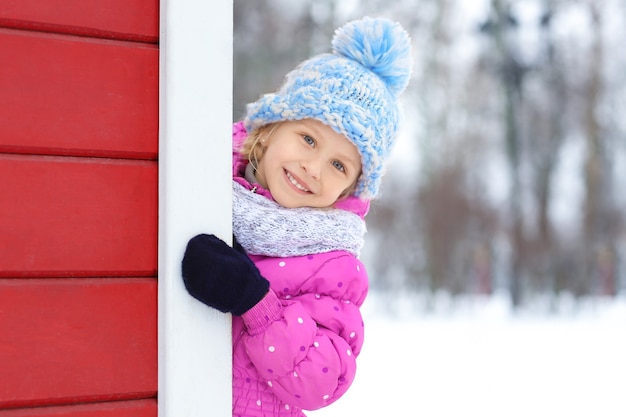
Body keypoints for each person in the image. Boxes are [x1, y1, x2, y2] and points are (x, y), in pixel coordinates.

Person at [181, 16, 412, 417]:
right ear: (271, 128)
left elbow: (323, 382)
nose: (314, 168)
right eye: (308, 139)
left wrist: (257, 304)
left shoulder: (333, 264)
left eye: (339, 166)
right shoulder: (201, 179)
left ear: (350, 190)